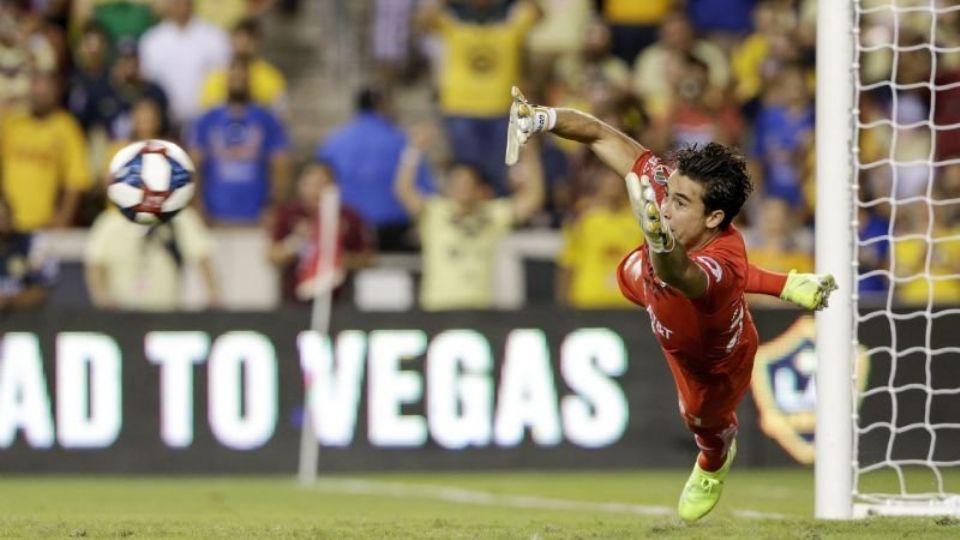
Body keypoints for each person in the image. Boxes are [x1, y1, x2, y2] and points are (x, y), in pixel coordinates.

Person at [507, 86, 835, 522]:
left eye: (679, 204)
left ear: (714, 218)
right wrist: (541, 119)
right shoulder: (671, 185)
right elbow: (600, 134)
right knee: (630, 269)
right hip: (657, 291)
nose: (665, 205)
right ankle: (787, 285)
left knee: (702, 422)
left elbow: (681, 274)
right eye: (668, 195)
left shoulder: (722, 261)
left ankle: (713, 461)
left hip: (711, 363)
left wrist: (658, 239)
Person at [394, 125, 543, 311]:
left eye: (468, 183)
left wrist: (530, 155)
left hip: (479, 310)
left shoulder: (493, 214)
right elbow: (404, 191)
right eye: (457, 182)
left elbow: (532, 199)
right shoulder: (434, 212)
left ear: (480, 189)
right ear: (448, 187)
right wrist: (413, 151)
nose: (462, 188)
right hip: (437, 309)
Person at [188, 57, 291, 225]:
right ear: (225, 80)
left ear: (250, 80)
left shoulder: (267, 119)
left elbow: (279, 164)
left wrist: (273, 205)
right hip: (215, 214)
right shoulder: (207, 119)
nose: (237, 81)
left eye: (242, 77)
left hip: (256, 214)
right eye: (233, 77)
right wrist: (198, 204)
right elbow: (195, 164)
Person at [269, 162, 375, 305]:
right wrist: (295, 243)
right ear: (300, 186)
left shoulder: (349, 217)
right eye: (310, 184)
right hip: (295, 301)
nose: (315, 191)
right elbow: (271, 256)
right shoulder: (288, 214)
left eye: (321, 184)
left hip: (339, 301)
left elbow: (367, 259)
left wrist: (336, 256)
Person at [0, 198, 55, 312]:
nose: (3, 221)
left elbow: (40, 293)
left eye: (6, 216)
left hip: (24, 317)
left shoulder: (30, 244)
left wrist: (9, 301)